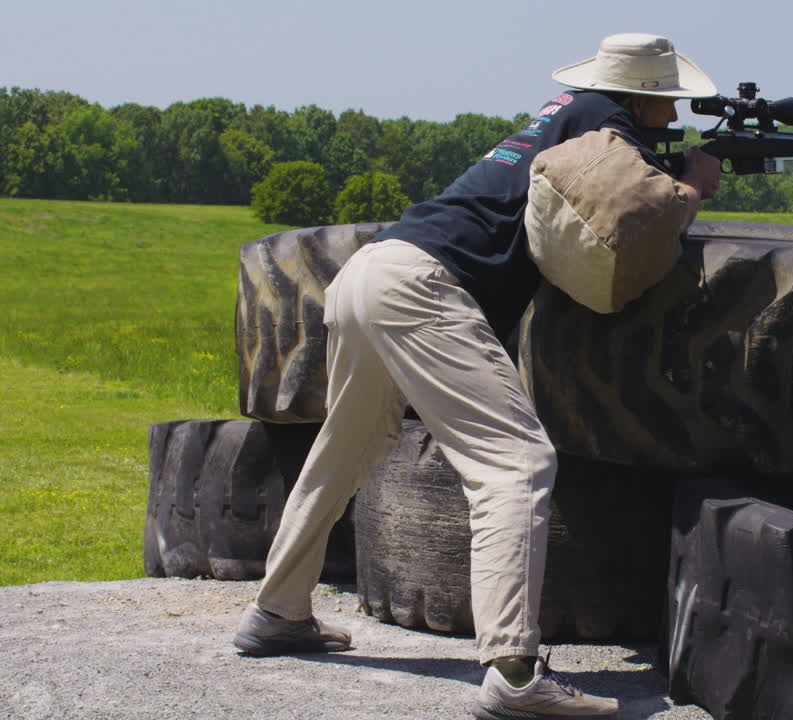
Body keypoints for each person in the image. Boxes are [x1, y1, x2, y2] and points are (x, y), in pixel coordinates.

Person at [231, 33, 721, 720]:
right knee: (517, 465)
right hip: (422, 286)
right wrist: (696, 181)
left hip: (373, 269)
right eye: (667, 103)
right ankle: (515, 677)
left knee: (346, 449)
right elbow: (638, 214)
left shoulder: (563, 116)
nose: (672, 116)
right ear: (639, 96)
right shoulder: (602, 121)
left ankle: (275, 613)